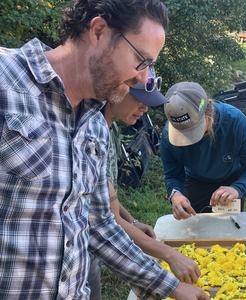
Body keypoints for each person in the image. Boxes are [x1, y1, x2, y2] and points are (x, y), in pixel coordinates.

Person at [0, 0, 208, 299]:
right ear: (98, 31)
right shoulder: (6, 81)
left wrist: (171, 287)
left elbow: (98, 224)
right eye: (141, 60)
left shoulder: (94, 126)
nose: (144, 79)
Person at [88, 71, 201, 299]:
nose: (145, 108)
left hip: (90, 252)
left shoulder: (107, 129)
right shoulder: (90, 132)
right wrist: (169, 255)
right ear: (118, 90)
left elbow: (107, 196)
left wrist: (133, 221)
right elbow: (106, 220)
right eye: (141, 100)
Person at [160, 81, 246, 220]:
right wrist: (175, 194)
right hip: (195, 181)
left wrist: (237, 188)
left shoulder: (235, 121)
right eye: (182, 134)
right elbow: (172, 175)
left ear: (208, 117)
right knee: (195, 230)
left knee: (229, 229)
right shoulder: (168, 135)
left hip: (231, 181)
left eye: (192, 131)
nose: (189, 140)